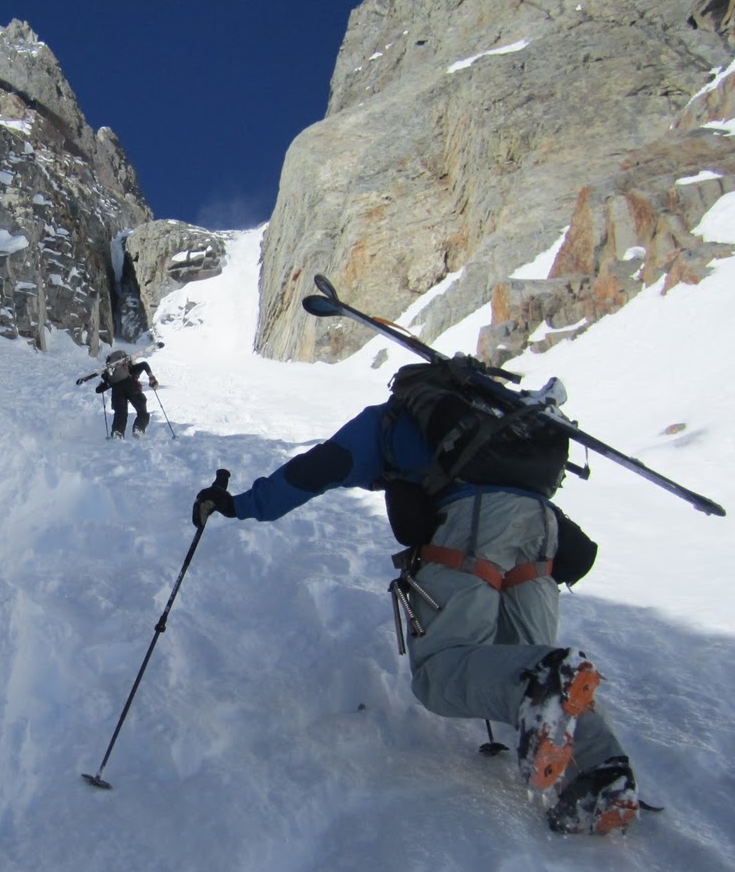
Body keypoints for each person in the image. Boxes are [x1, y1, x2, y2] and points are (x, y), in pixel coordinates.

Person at [189, 374, 640, 836]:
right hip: (542, 529)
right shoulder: (494, 429)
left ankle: (549, 687)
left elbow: (315, 470)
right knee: (528, 672)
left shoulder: (390, 421)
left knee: (444, 673)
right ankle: (606, 772)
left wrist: (241, 505)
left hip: (474, 526)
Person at [90, 349, 159, 438]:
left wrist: (102, 386)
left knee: (120, 414)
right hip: (131, 388)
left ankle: (117, 432)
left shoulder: (111, 376)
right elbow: (144, 364)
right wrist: (151, 378)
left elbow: (98, 390)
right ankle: (138, 428)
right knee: (142, 412)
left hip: (117, 391)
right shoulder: (130, 369)